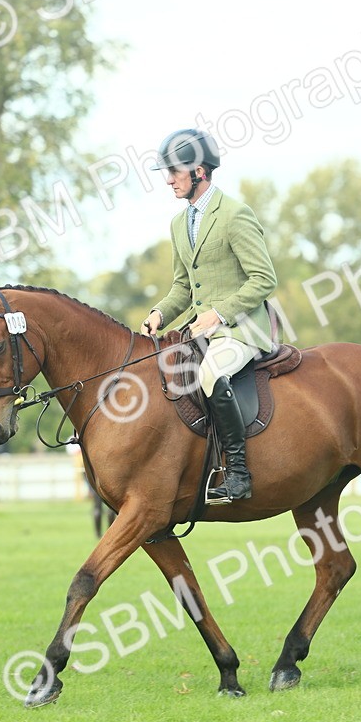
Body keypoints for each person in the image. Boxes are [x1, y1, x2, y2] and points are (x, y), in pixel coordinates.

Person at [140, 129, 278, 501]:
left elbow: (264, 278)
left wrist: (219, 314)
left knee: (211, 373)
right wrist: (159, 313)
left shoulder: (234, 215)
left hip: (243, 329)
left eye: (174, 172)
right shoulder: (178, 224)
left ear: (199, 171)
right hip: (201, 330)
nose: (168, 180)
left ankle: (237, 473)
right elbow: (183, 288)